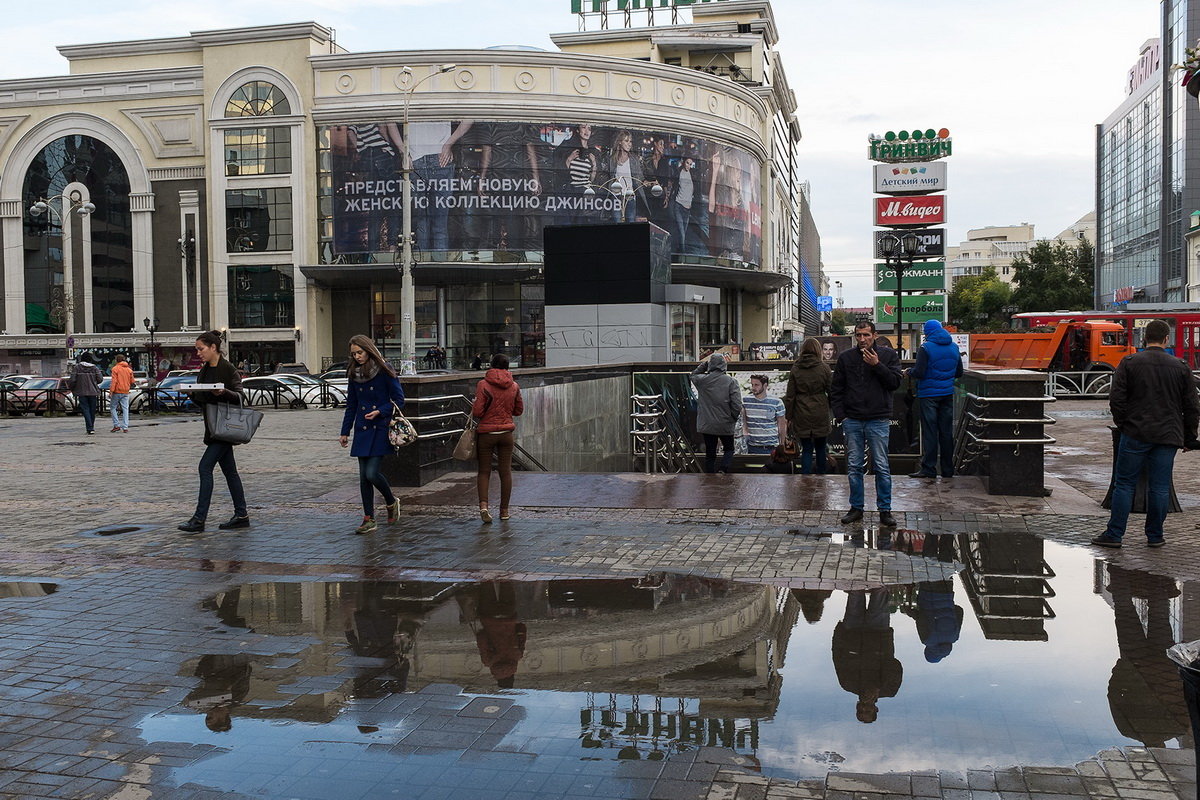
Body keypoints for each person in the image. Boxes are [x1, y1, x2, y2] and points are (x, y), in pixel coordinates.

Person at [1092, 319, 1200, 548]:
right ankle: (1155, 536)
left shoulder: (1130, 362)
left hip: (1136, 433)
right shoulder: (1181, 367)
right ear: (1166, 339)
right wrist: (1189, 436)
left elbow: (1117, 399)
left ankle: (1114, 534)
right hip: (1168, 435)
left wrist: (1124, 425)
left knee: (1124, 484)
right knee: (1159, 487)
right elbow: (1192, 406)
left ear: (1144, 339)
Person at [831, 321, 903, 527]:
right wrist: (841, 416)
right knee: (854, 465)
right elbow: (836, 389)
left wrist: (877, 365)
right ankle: (856, 507)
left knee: (881, 465)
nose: (862, 339)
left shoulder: (888, 356)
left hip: (878, 419)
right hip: (852, 419)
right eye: (858, 335)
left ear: (874, 335)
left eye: (866, 335)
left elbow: (895, 383)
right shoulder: (846, 358)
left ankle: (885, 509)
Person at [178, 331, 250, 533]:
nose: (198, 353)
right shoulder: (204, 370)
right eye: (197, 350)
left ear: (213, 347)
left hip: (224, 429)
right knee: (230, 472)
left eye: (201, 349)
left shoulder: (228, 369)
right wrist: (192, 393)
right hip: (213, 428)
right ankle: (241, 515)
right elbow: (203, 400)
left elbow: (241, 397)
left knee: (204, 467)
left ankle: (199, 519)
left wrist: (224, 392)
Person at [339, 335, 405, 535]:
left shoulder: (385, 370)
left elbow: (399, 399)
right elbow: (352, 405)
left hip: (380, 427)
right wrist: (344, 431)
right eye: (354, 354)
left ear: (369, 350)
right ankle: (369, 518)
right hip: (362, 428)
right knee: (363, 478)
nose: (357, 356)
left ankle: (391, 501)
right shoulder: (353, 374)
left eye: (360, 352)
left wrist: (380, 411)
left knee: (371, 473)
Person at [907, 319, 963, 479]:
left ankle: (929, 468)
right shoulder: (954, 347)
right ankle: (947, 470)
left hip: (928, 396)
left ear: (928, 332)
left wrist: (908, 372)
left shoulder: (926, 348)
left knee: (930, 432)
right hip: (947, 394)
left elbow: (920, 372)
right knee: (946, 433)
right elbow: (959, 372)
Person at [473, 353, 524, 523]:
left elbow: (478, 412)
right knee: (505, 472)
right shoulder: (514, 386)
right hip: (506, 434)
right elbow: (518, 410)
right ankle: (504, 511)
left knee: (484, 472)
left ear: (491, 365)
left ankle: (484, 507)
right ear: (507, 367)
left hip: (486, 434)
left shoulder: (483, 384)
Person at [784, 338, 833, 474]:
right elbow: (831, 392)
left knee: (806, 449)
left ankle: (806, 478)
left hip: (801, 412)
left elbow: (790, 396)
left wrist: (789, 416)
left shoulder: (796, 368)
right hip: (820, 411)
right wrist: (828, 407)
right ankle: (821, 477)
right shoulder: (824, 368)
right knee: (821, 448)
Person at [691, 353, 743, 474]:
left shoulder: (703, 381)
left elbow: (693, 375)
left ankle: (709, 476)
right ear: (724, 365)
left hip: (707, 424)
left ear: (711, 365)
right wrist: (733, 418)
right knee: (729, 449)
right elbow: (736, 404)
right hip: (725, 423)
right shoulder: (731, 382)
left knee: (710, 453)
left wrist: (703, 366)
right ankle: (723, 469)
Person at [742, 374, 786, 455]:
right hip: (752, 447)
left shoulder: (776, 402)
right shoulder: (745, 401)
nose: (753, 387)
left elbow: (782, 426)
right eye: (752, 384)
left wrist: (782, 445)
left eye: (756, 385)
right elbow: (743, 423)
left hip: (772, 446)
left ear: (765, 385)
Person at [68, 352, 103, 435]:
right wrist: (93, 382)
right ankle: (91, 427)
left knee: (85, 409)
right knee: (92, 410)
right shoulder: (94, 368)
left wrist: (73, 387)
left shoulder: (77, 368)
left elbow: (72, 380)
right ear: (90, 359)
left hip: (81, 392)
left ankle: (90, 428)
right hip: (93, 392)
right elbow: (100, 379)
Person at [109, 354, 134, 433]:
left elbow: (114, 381)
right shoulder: (129, 370)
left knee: (113, 407)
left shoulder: (115, 369)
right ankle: (125, 427)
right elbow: (132, 381)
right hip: (126, 391)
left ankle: (116, 425)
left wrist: (111, 391)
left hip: (117, 391)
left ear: (116, 360)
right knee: (125, 409)